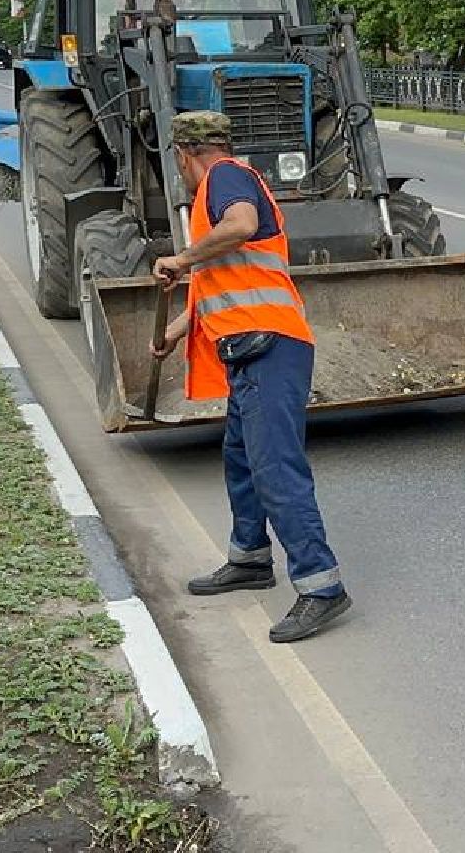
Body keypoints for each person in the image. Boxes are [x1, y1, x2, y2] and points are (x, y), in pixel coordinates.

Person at [151, 110, 352, 643]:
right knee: (242, 459)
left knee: (274, 468)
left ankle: (321, 586)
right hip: (251, 347)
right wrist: (175, 329)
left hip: (271, 346)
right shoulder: (220, 188)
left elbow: (238, 227)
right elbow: (223, 279)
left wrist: (181, 257)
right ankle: (250, 558)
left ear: (183, 156)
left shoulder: (225, 178)